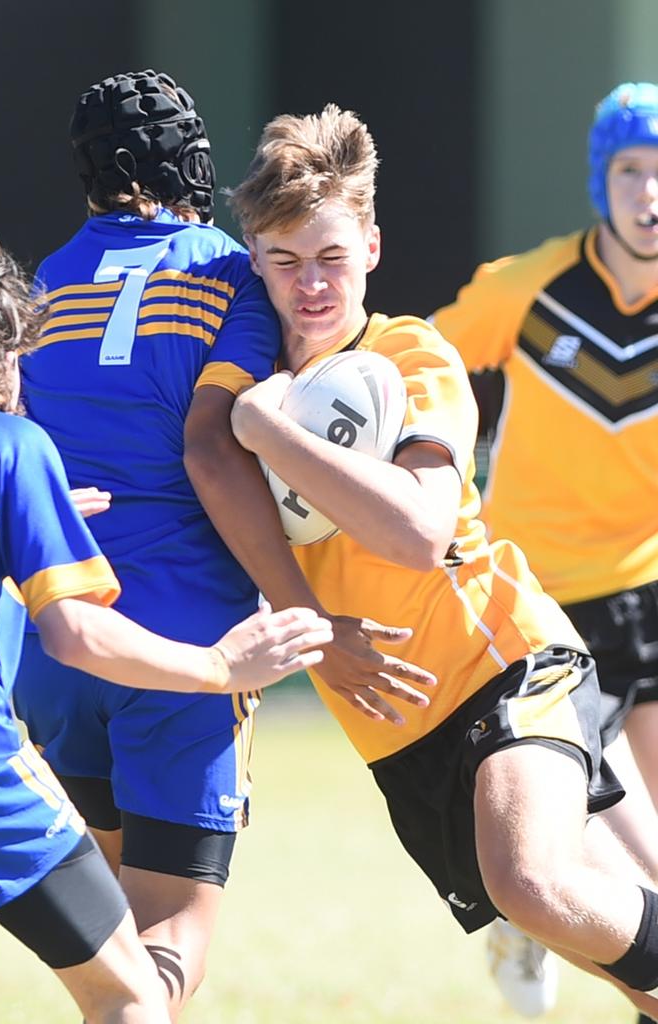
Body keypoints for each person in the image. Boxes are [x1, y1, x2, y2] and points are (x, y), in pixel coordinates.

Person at [10, 69, 431, 1020]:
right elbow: (213, 446)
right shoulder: (225, 271)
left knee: (113, 932)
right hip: (187, 646)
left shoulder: (50, 279)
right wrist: (306, 620)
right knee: (170, 941)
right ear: (181, 161)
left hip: (63, 640)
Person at [223, 102, 658, 1022]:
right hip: (397, 732)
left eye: (332, 258)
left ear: (372, 249)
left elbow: (420, 532)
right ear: (252, 257)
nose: (311, 285)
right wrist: (311, 630)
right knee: (609, 953)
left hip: (504, 661)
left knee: (534, 884)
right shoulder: (236, 379)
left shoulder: (404, 355)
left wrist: (268, 430)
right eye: (286, 261)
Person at [0, 210, 334, 1023]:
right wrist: (221, 668)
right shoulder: (6, 439)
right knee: (132, 990)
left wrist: (18, 535)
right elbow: (75, 634)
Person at [431, 81, 658, 1023]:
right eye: (630, 172)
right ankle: (529, 917)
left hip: (648, 587)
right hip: (540, 610)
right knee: (593, 860)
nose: (649, 194)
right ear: (598, 183)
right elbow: (422, 372)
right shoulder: (526, 288)